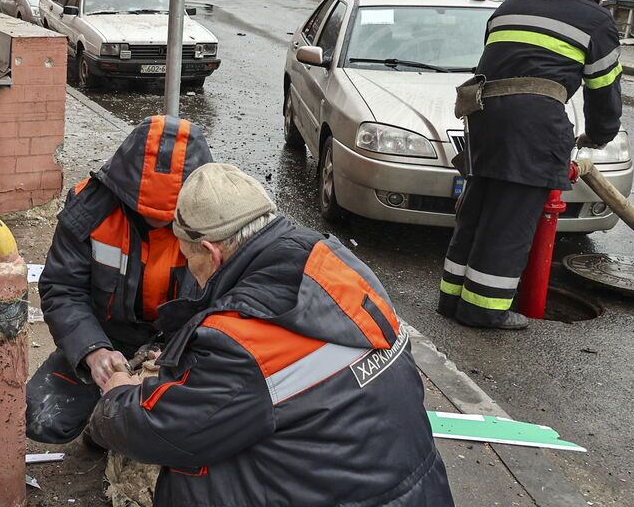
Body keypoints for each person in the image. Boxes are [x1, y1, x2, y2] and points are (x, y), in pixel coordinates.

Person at [89, 163, 454, 506]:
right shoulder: (334, 263)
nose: (190, 271)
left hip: (352, 495)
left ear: (210, 252)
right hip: (417, 484)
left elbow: (166, 430)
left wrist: (118, 395)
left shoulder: (243, 339)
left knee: (192, 475)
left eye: (188, 258)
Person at [438, 0, 623, 330]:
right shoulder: (597, 21)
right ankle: (484, 311)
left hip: (482, 118)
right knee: (509, 221)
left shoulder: (511, 6)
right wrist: (600, 134)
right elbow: (604, 90)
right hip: (533, 127)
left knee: (476, 211)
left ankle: (451, 299)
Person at [25, 116, 213, 444]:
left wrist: (174, 359)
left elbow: (234, 304)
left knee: (201, 429)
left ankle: (117, 429)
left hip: (184, 343)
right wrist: (93, 352)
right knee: (40, 418)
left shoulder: (220, 219)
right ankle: (104, 427)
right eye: (145, 211)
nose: (156, 222)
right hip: (109, 336)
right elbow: (62, 289)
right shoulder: (90, 208)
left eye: (168, 217)